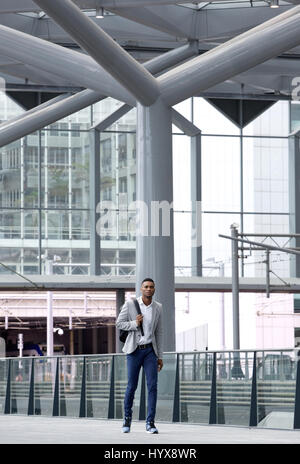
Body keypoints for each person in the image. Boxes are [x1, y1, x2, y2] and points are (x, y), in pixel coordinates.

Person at [116, 277, 163, 434]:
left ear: (154, 289)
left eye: (151, 287)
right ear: (141, 289)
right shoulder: (130, 304)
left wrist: (160, 356)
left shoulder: (158, 307)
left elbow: (159, 333)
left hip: (150, 351)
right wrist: (134, 324)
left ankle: (150, 423)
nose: (149, 289)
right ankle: (127, 420)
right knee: (132, 386)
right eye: (146, 287)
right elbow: (119, 323)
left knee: (153, 387)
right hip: (134, 350)